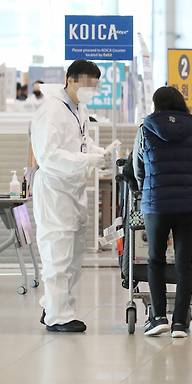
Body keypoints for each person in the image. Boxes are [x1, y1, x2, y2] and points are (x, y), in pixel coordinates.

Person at [133, 86, 192, 338]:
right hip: (187, 204)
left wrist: (145, 189)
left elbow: (138, 167)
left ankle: (158, 317)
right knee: (184, 262)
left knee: (156, 260)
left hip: (156, 203)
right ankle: (180, 322)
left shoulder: (145, 129)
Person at [31, 60, 111, 332]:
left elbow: (81, 142)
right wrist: (87, 161)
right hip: (55, 190)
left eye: (95, 86)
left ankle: (52, 305)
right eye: (87, 85)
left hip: (74, 189)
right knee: (58, 254)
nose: (91, 90)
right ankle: (58, 317)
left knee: (74, 253)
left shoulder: (78, 108)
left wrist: (101, 154)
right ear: (70, 80)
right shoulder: (51, 111)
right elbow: (49, 156)